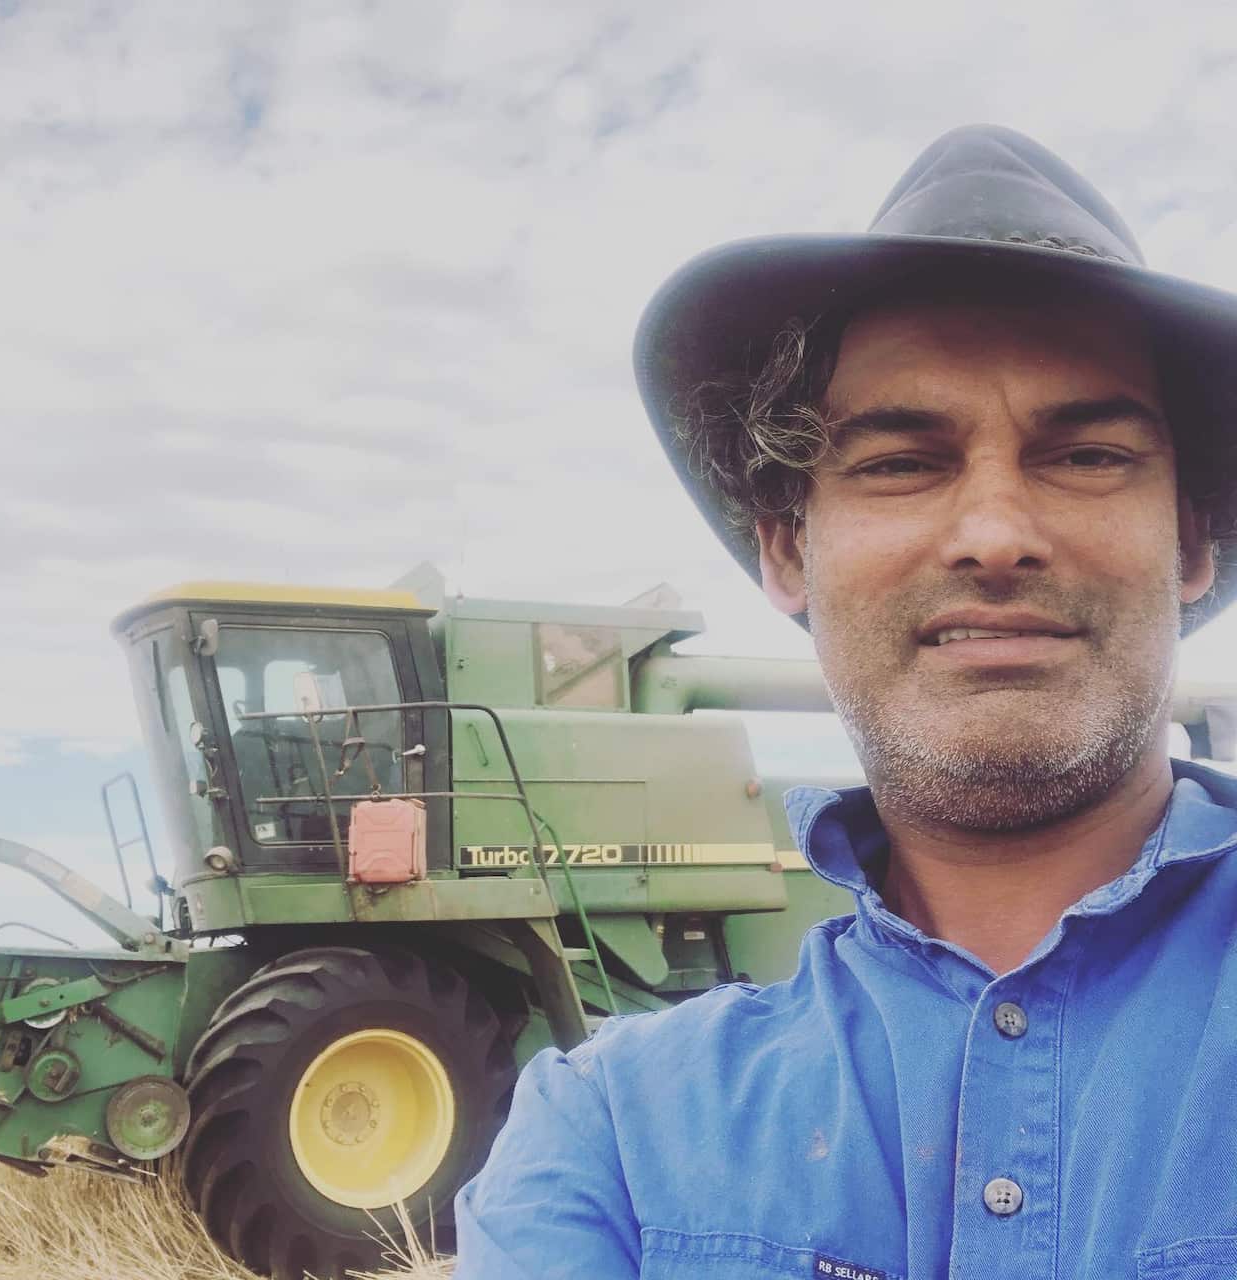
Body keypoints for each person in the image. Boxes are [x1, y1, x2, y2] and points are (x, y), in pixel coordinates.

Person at [453, 125, 1237, 1279]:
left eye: (1083, 455)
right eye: (896, 462)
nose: (992, 537)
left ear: (1187, 544)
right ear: (786, 550)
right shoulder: (606, 1139)